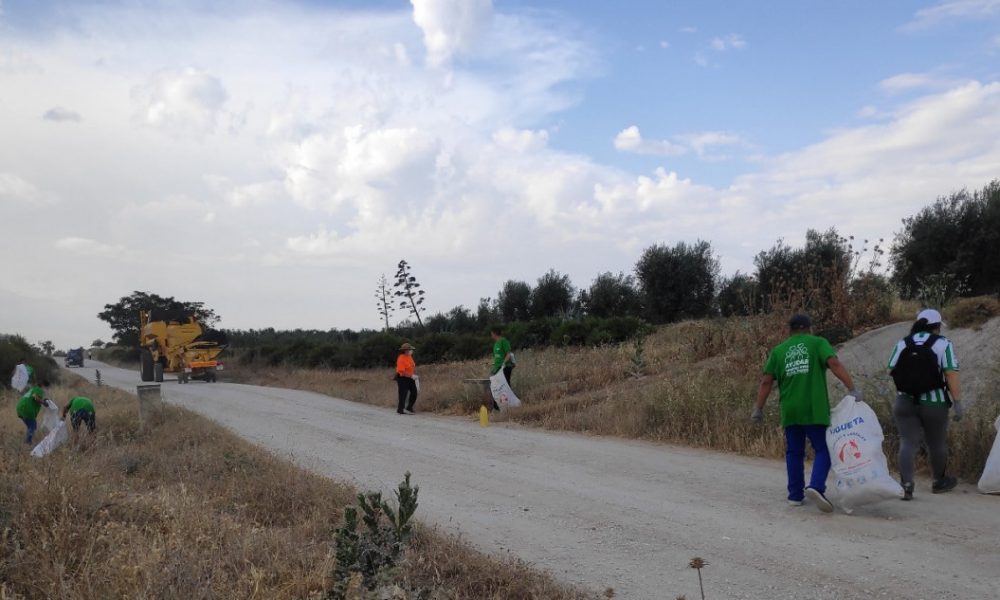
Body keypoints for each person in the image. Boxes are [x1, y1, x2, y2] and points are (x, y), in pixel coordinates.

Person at [753, 314, 860, 512]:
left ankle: (795, 495)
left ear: (790, 330)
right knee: (823, 449)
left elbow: (766, 381)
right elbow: (834, 364)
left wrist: (758, 409)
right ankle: (816, 486)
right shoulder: (818, 343)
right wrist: (852, 388)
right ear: (809, 328)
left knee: (794, 452)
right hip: (813, 408)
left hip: (790, 410)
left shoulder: (779, 351)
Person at [887, 308, 961, 499]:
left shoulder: (903, 343)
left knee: (907, 442)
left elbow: (891, 368)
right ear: (937, 326)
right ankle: (938, 482)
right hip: (934, 403)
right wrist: (957, 401)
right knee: (936, 443)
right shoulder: (943, 344)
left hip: (904, 401)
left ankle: (906, 485)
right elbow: (950, 373)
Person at [16, 379, 49, 445]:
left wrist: (42, 400)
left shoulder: (33, 389)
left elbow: (34, 397)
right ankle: (28, 442)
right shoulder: (39, 389)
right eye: (46, 387)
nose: (46, 389)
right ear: (43, 385)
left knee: (30, 426)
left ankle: (27, 441)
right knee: (33, 426)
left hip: (20, 408)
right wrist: (43, 402)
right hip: (27, 408)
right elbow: (35, 397)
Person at [395, 342, 418, 415]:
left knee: (414, 392)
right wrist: (411, 376)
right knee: (403, 394)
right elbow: (401, 371)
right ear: (405, 350)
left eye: (411, 349)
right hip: (402, 377)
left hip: (410, 377)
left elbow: (411, 367)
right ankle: (400, 409)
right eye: (409, 349)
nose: (411, 351)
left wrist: (412, 375)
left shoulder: (410, 357)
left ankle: (409, 407)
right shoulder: (401, 358)